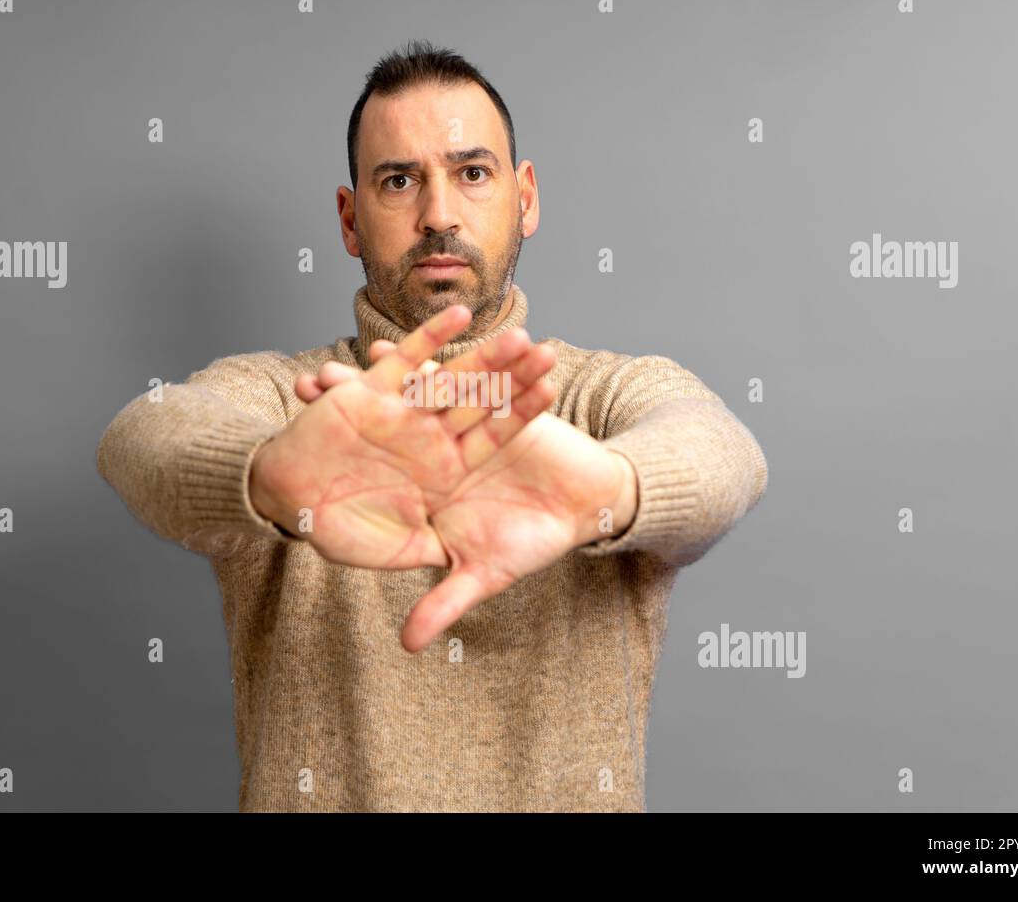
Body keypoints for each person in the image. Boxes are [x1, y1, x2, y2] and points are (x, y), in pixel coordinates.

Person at [96, 39, 768, 812]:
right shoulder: (295, 402)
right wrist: (267, 475)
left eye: (471, 173)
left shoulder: (598, 395)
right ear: (350, 221)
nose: (439, 215)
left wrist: (608, 491)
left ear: (526, 198)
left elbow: (724, 452)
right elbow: (141, 436)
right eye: (398, 180)